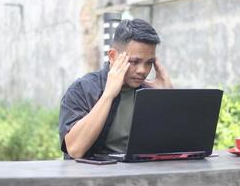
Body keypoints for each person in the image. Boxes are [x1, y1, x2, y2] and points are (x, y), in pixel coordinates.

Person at [59, 18, 173, 159]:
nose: (142, 70)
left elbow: (173, 147)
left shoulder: (149, 92)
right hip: (95, 178)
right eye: (134, 61)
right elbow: (75, 149)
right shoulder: (82, 90)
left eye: (149, 63)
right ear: (113, 56)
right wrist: (108, 95)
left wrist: (168, 98)